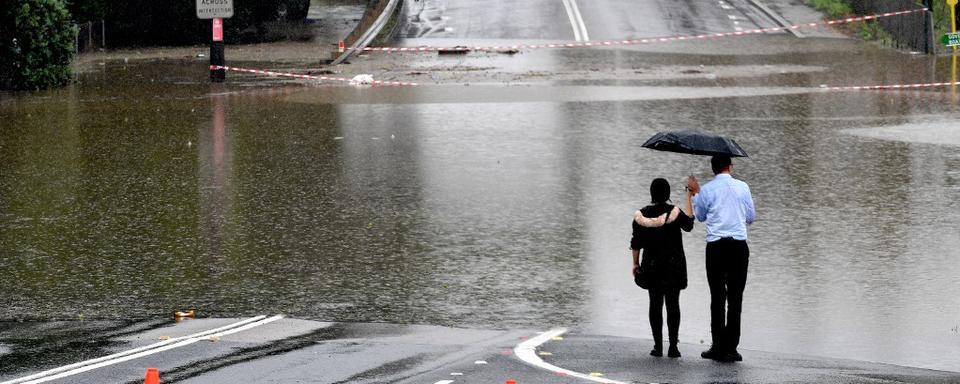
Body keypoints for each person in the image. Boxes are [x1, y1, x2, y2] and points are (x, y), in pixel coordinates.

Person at [687, 155, 755, 362]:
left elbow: (700, 217)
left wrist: (696, 193)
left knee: (717, 297)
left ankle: (717, 346)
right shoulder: (743, 187)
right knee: (736, 298)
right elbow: (751, 218)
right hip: (738, 246)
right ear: (729, 166)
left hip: (716, 247)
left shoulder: (706, 190)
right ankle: (732, 348)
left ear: (713, 168)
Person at [631, 178, 695, 358]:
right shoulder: (674, 212)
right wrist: (688, 196)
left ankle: (657, 346)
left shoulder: (641, 215)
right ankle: (673, 346)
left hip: (652, 267)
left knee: (655, 304)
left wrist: (635, 264)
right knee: (673, 305)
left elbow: (636, 243)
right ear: (667, 194)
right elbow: (689, 225)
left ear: (652, 194)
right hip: (673, 266)